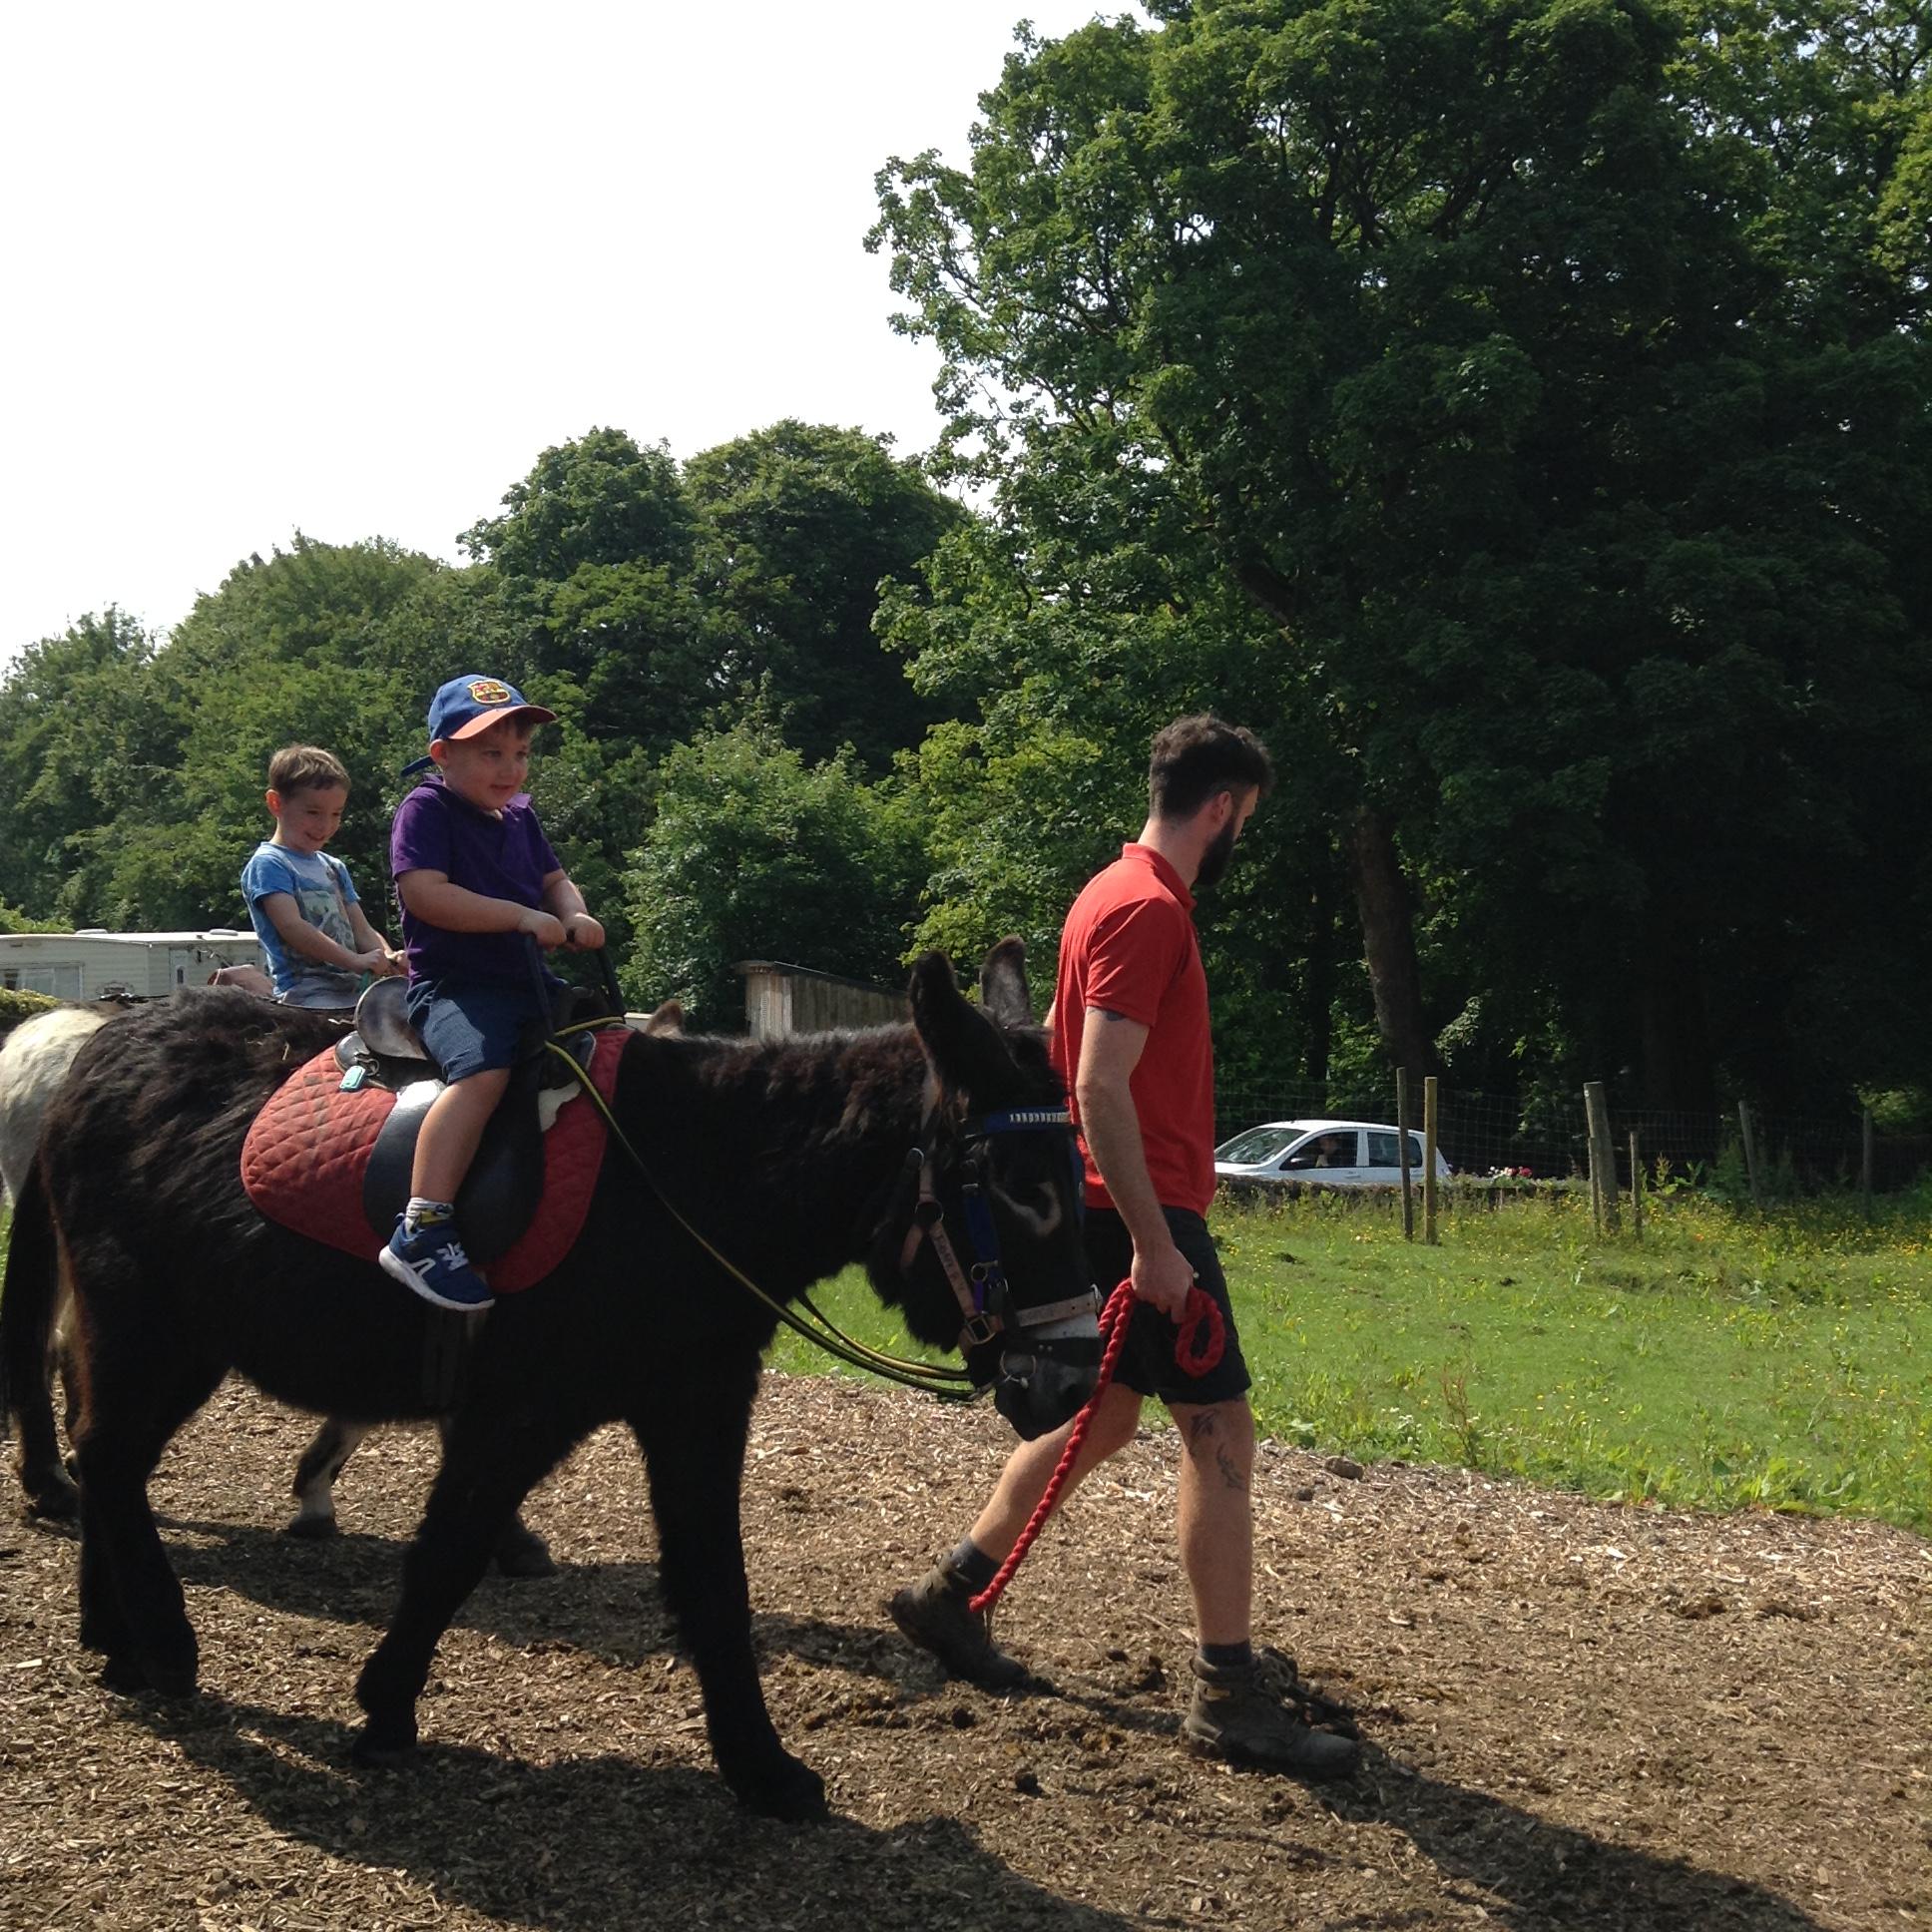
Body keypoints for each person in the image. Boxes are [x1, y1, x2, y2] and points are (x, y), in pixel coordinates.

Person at [889, 714, 1358, 1778]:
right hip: (1143, 1209)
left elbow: (1073, 1060)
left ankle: (950, 1594)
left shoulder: (1108, 891)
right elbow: (1097, 1083)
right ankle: (1226, 1693)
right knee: (1220, 1433)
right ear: (1220, 807)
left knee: (1099, 1419)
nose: (1241, 834)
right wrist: (1154, 1241)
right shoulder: (1147, 909)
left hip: (1114, 1201)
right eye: (1245, 816)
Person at [378, 674, 605, 1312]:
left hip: (527, 981)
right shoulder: (425, 810)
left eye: (520, 753)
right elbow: (426, 894)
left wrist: (573, 913)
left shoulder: (522, 817)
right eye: (491, 753)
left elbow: (555, 881)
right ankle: (423, 1224)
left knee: (609, 1048)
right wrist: (519, 916)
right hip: (457, 985)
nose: (510, 768)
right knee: (484, 1074)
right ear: (442, 755)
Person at [241, 744, 402, 1009]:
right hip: (307, 991)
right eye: (313, 812)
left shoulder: (333, 867)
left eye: (336, 814)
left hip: (353, 987)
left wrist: (388, 957)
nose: (325, 825)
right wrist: (354, 960)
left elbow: (362, 930)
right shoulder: (270, 864)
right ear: (276, 803)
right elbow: (292, 928)